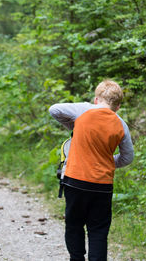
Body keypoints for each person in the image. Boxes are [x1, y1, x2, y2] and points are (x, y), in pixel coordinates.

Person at [49, 79, 134, 261]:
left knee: (74, 224)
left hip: (75, 180)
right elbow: (128, 158)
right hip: (102, 186)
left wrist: (76, 127)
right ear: (118, 106)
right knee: (98, 230)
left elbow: (54, 109)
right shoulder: (121, 124)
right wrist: (107, 162)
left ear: (96, 99)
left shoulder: (83, 111)